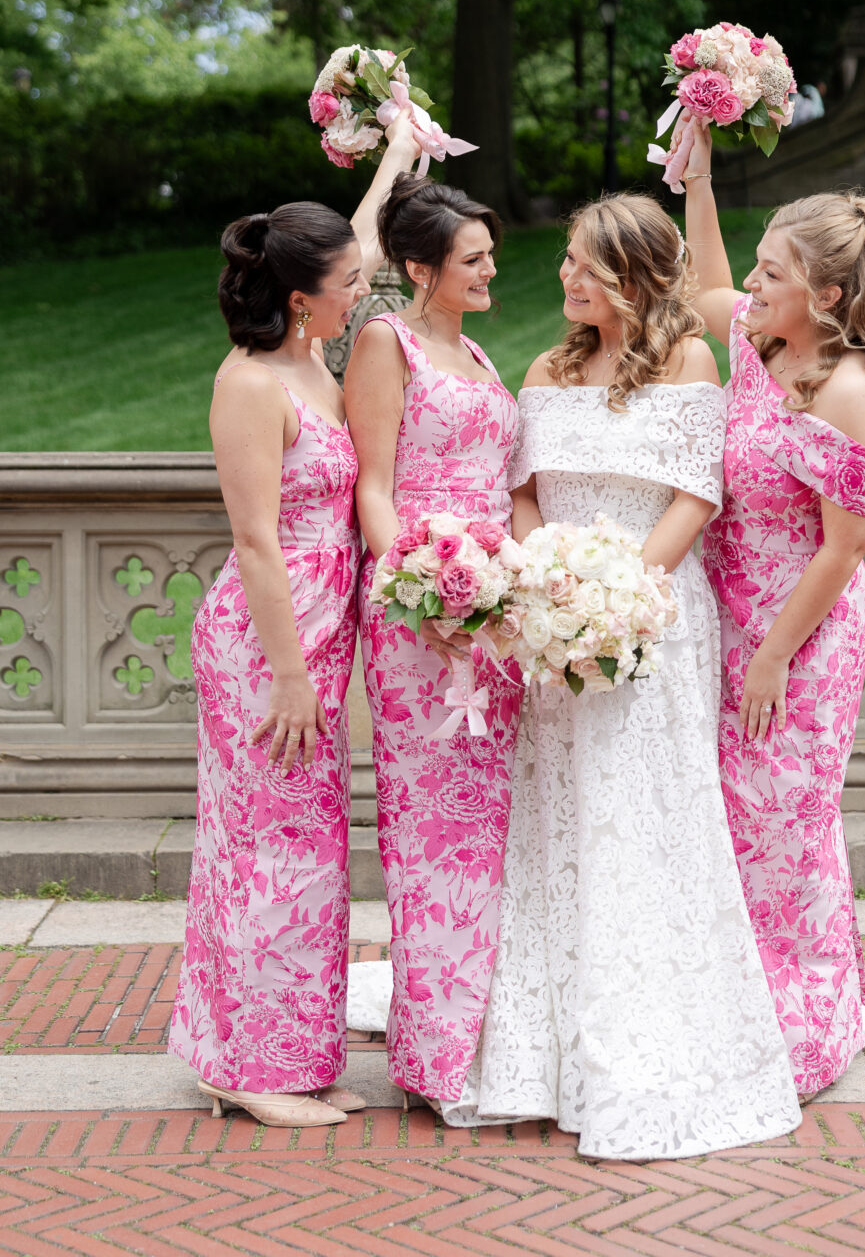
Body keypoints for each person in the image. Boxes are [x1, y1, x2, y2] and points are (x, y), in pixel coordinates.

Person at [442, 193, 801, 1160]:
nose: (564, 278)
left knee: (645, 817)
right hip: (554, 633)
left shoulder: (687, 361)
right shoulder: (546, 366)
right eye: (565, 260)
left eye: (583, 267)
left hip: (653, 629)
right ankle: (538, 1052)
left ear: (634, 278)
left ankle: (651, 1041)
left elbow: (695, 493)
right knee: (558, 818)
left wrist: (619, 601)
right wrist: (550, 588)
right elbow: (520, 488)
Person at [170, 118, 419, 1129]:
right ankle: (242, 1064)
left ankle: (290, 1049)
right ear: (297, 293)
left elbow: (349, 233)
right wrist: (288, 674)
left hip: (323, 635)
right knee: (260, 847)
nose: (364, 290)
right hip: (267, 643)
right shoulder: (249, 382)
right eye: (349, 281)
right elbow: (257, 542)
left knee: (310, 848)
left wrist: (397, 155)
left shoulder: (323, 350)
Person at [682, 122, 865, 1098]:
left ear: (825, 295)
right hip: (734, 620)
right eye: (760, 266)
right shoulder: (756, 341)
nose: (753, 285)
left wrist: (773, 656)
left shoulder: (845, 392)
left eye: (773, 273)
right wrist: (694, 171)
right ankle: (744, 1001)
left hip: (801, 634)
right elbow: (701, 286)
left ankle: (808, 1026)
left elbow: (844, 545)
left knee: (787, 820)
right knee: (737, 823)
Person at [345, 174, 523, 1111]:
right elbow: (373, 484)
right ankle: (435, 1057)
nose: (491, 265)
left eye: (490, 252)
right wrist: (414, 585)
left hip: (493, 615)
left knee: (494, 831)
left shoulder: (482, 356)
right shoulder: (388, 342)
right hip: (421, 613)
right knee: (432, 833)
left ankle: (492, 1038)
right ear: (419, 267)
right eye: (472, 257)